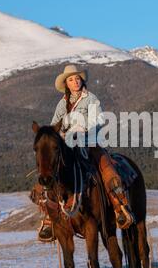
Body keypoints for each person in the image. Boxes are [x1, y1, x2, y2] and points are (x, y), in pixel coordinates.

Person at [37, 63, 136, 242]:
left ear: (81, 80)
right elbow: (54, 126)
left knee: (107, 169)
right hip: (68, 146)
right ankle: (50, 219)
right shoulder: (62, 104)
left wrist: (83, 128)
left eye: (77, 79)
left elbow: (99, 119)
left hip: (90, 143)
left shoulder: (91, 98)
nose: (75, 82)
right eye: (71, 79)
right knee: (50, 171)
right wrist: (59, 135)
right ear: (66, 83)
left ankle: (120, 207)